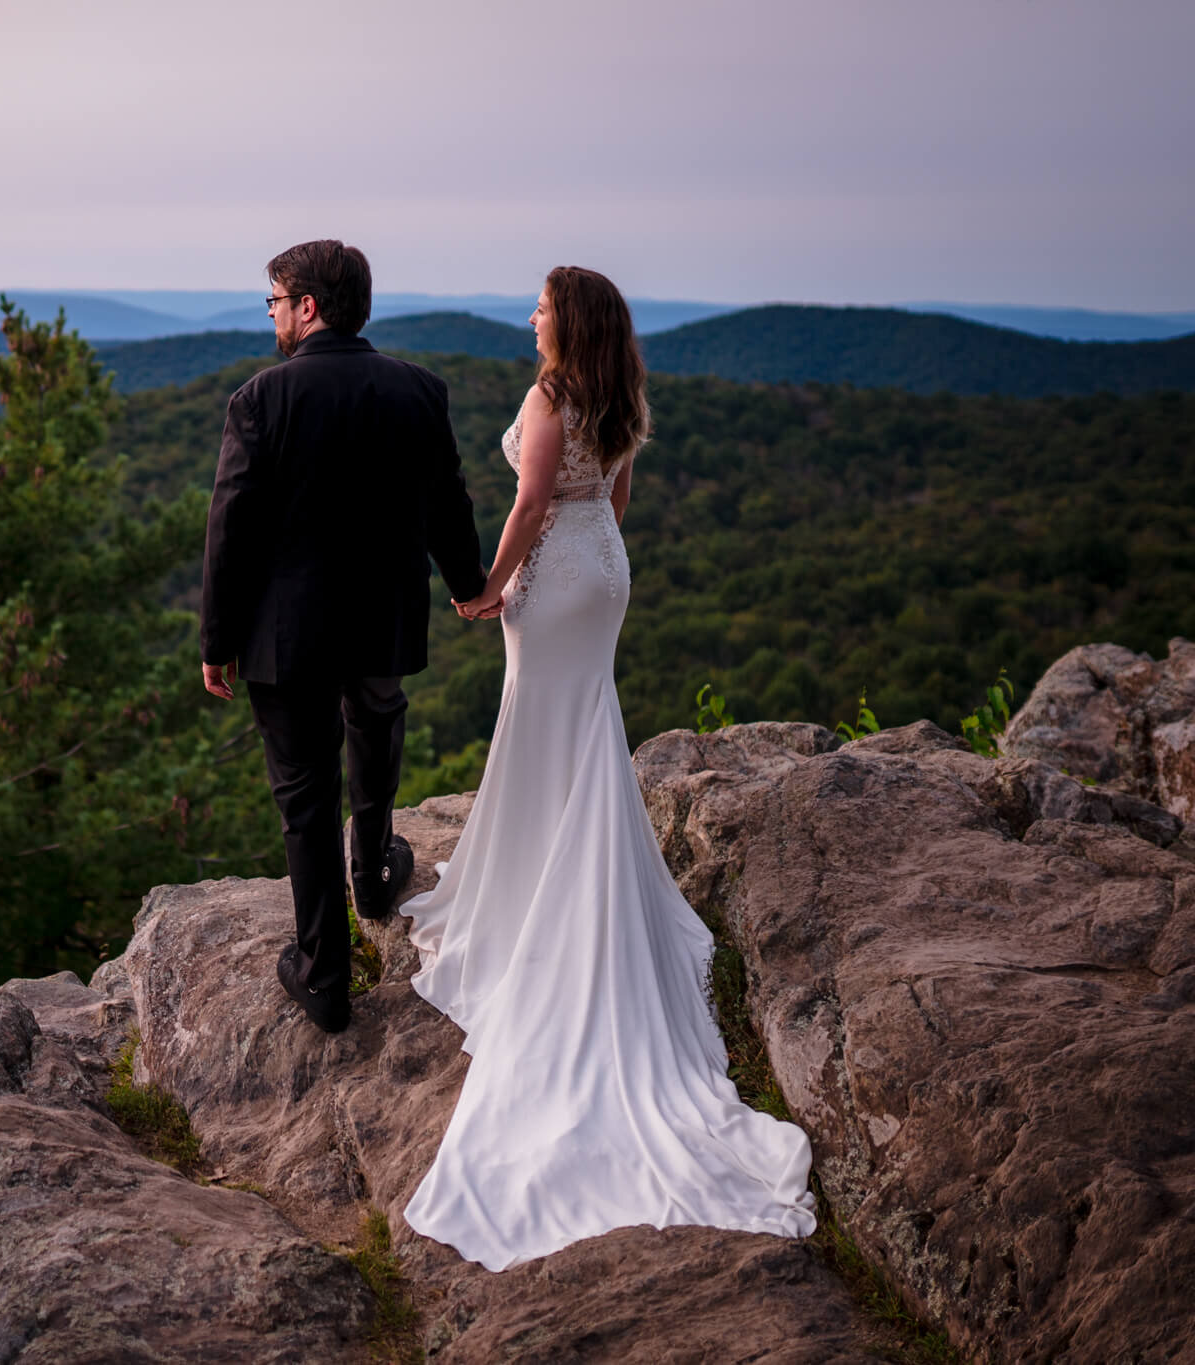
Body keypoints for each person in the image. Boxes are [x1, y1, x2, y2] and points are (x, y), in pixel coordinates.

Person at [399, 266, 817, 1269]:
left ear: (565, 320)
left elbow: (532, 499)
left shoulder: (552, 393)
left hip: (555, 575)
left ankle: (536, 882)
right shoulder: (618, 384)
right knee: (579, 720)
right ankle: (554, 863)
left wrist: (483, 588)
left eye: (541, 305)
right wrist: (595, 555)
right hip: (603, 568)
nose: (530, 315)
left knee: (546, 716)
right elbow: (610, 492)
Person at [200, 238, 487, 1034]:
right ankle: (374, 872)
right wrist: (468, 586)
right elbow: (447, 505)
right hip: (379, 617)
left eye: (276, 302)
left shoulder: (260, 399)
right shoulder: (418, 391)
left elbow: (232, 531)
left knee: (303, 795)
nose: (273, 315)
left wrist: (216, 641)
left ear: (309, 307)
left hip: (283, 635)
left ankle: (323, 974)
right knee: (376, 720)